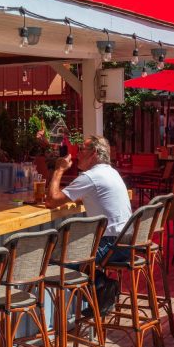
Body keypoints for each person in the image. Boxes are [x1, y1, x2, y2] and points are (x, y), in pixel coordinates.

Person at [45, 135, 131, 314]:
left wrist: (59, 169)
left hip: (111, 243)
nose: (77, 155)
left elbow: (52, 200)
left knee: (58, 260)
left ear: (93, 154)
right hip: (128, 241)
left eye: (81, 150)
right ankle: (102, 289)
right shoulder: (111, 172)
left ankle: (101, 289)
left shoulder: (91, 176)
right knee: (75, 257)